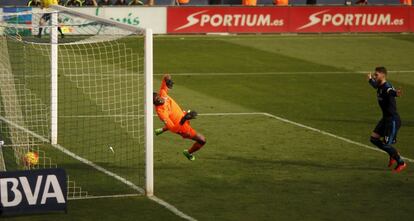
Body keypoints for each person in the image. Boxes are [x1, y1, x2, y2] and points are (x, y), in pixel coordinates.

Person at [153, 74, 206, 161]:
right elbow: (174, 129)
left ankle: (162, 130)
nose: (160, 99)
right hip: (182, 128)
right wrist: (184, 119)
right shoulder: (161, 113)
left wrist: (168, 80)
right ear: (155, 104)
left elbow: (166, 76)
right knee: (202, 140)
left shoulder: (163, 93)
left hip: (182, 115)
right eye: (157, 101)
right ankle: (188, 152)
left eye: (158, 97)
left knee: (178, 116)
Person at [367, 67, 406, 173]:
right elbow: (375, 86)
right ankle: (393, 154)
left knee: (386, 144)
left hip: (392, 120)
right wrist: (370, 80)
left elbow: (390, 91)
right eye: (374, 75)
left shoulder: (387, 87)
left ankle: (401, 162)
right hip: (385, 119)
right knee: (373, 139)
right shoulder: (380, 85)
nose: (375, 76)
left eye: (376, 75)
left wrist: (396, 93)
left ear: (383, 75)